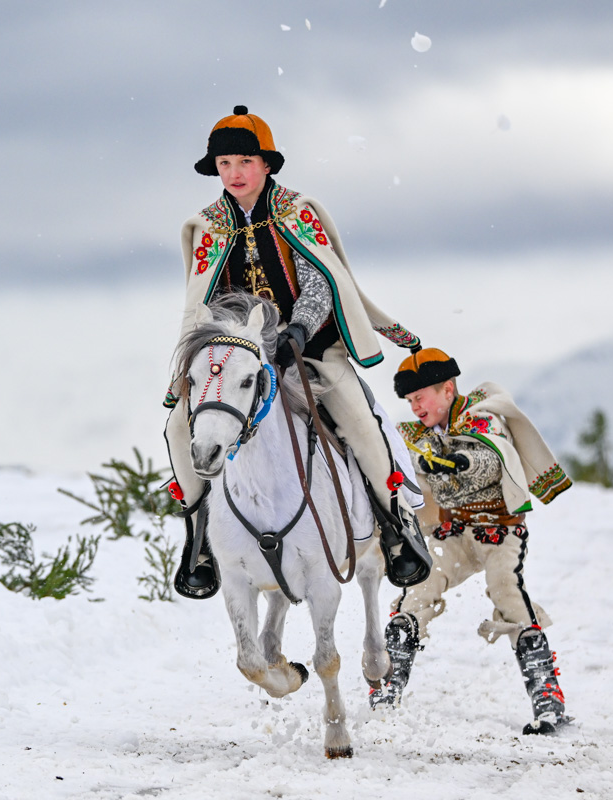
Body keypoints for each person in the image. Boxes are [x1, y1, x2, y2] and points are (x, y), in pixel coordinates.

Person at [164, 105, 433, 599]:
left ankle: (396, 527)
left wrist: (300, 329)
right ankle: (198, 536)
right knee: (180, 425)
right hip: (237, 353)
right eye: (224, 164)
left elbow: (320, 280)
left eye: (244, 161)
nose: (235, 173)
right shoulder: (206, 226)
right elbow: (202, 303)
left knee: (357, 417)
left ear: (266, 164)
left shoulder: (297, 211)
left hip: (308, 350)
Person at [370, 347, 573, 735]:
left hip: (500, 530)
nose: (415, 407)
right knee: (416, 591)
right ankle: (387, 686)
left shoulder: (481, 415)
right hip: (454, 534)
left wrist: (461, 462)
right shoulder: (414, 437)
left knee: (507, 591)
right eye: (410, 400)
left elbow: (492, 457)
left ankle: (547, 697)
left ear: (448, 390)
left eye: (420, 397)